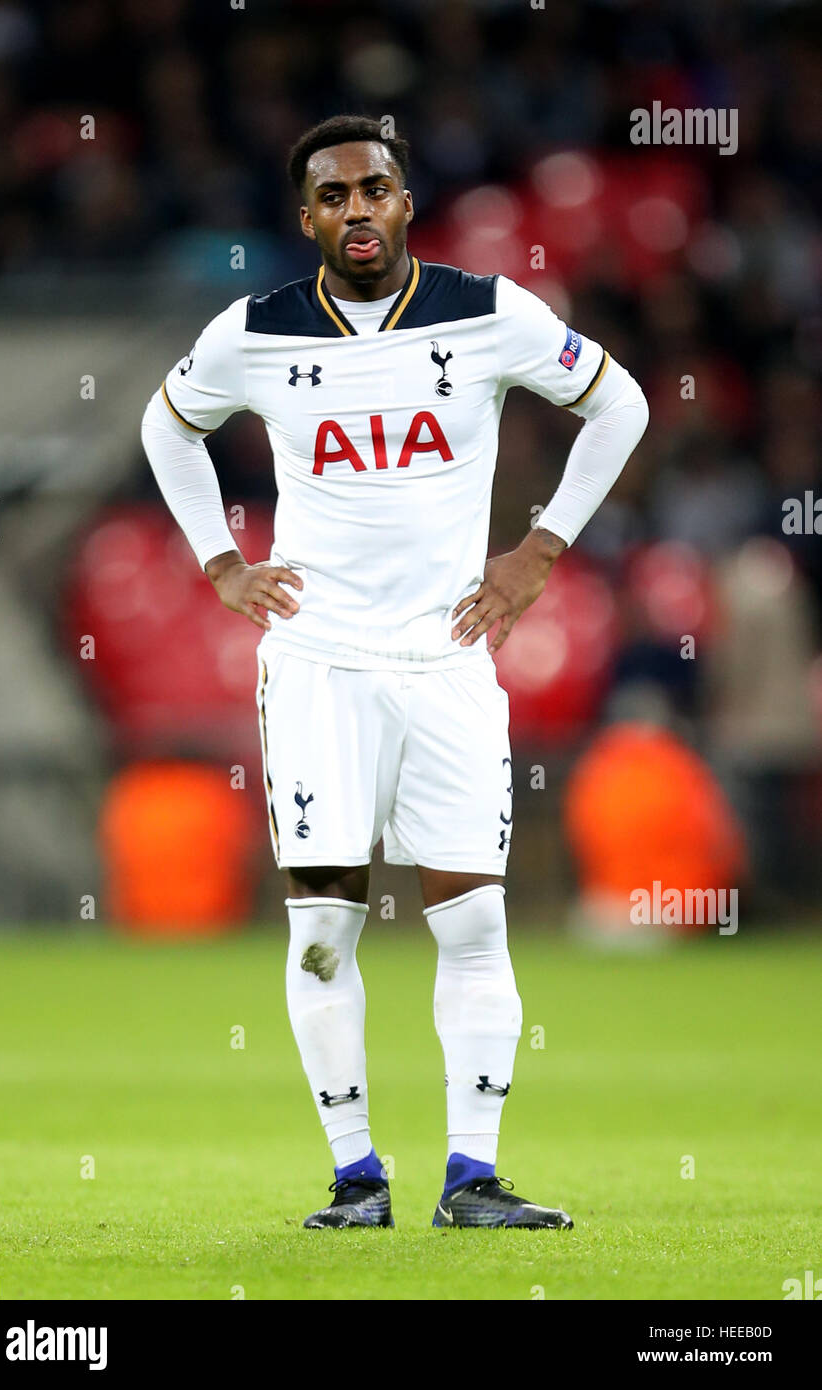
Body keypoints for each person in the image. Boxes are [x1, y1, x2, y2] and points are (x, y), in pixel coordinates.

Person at [141, 114, 648, 1229]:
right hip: (319, 663)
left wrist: (538, 550)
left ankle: (474, 1179)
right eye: (333, 196)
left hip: (447, 658)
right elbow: (166, 427)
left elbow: (621, 403)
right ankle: (355, 1178)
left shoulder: (489, 312)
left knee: (473, 926)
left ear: (405, 201)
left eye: (374, 188)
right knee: (324, 931)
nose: (357, 210)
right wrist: (220, 561)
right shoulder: (254, 331)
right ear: (307, 217)